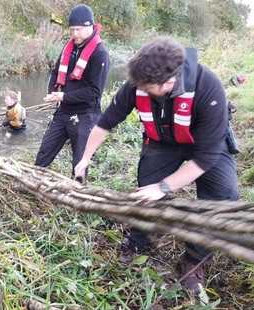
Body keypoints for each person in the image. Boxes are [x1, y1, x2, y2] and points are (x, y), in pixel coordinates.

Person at [74, 37, 239, 294]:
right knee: (146, 192)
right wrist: (84, 159)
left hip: (204, 145)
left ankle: (194, 261)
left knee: (222, 198)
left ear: (170, 82)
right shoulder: (138, 83)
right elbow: (105, 123)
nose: (139, 89)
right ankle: (141, 242)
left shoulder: (209, 87)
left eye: (146, 86)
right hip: (163, 141)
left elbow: (205, 158)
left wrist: (164, 186)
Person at [35, 4, 110, 181]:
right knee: (45, 149)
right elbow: (55, 72)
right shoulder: (69, 47)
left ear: (90, 26)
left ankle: (77, 192)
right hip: (63, 110)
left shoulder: (100, 54)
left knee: (79, 159)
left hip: (85, 114)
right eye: (72, 30)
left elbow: (95, 91)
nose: (75, 34)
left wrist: (65, 96)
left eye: (79, 29)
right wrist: (52, 92)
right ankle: (33, 180)